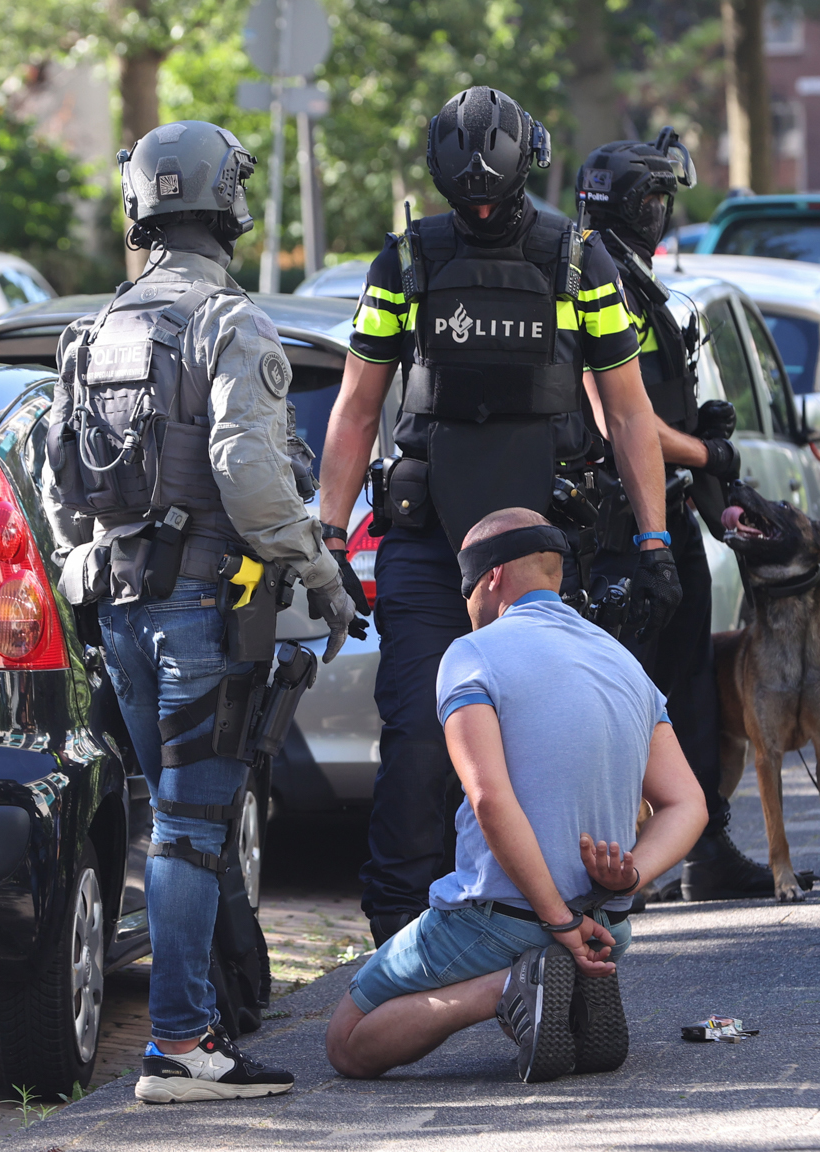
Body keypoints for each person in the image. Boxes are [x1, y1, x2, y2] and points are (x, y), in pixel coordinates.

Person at [43, 119, 361, 1105]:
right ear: (226, 205)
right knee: (188, 826)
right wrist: (318, 570)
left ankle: (204, 1020)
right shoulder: (232, 324)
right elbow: (249, 473)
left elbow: (59, 487)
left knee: (171, 822)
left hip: (120, 611)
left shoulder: (97, 330)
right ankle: (179, 1046)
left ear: (139, 208)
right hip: (201, 612)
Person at [316, 86, 680, 947]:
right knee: (413, 737)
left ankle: (552, 917)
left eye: (493, 195)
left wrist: (656, 539)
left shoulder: (576, 259)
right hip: (428, 538)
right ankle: (399, 927)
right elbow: (357, 405)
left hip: (547, 550)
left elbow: (628, 413)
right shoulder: (406, 263)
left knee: (552, 740)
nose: (479, 210)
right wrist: (330, 536)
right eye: (463, 197)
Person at [323, 508, 710, 1083]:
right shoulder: (625, 664)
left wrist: (554, 923)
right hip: (605, 930)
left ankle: (511, 986)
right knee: (550, 954)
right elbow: (688, 805)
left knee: (346, 1042)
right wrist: (628, 876)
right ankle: (551, 989)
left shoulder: (472, 654)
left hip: (508, 921)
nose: (468, 607)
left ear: (492, 578)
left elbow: (489, 799)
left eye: (466, 589)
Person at [575, 133, 776, 900]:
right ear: (635, 206)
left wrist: (705, 436)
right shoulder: (604, 287)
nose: (664, 214)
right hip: (626, 524)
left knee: (684, 679)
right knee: (640, 684)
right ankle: (644, 855)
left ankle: (700, 845)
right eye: (656, 200)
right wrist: (705, 453)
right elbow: (621, 417)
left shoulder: (630, 279)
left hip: (663, 513)